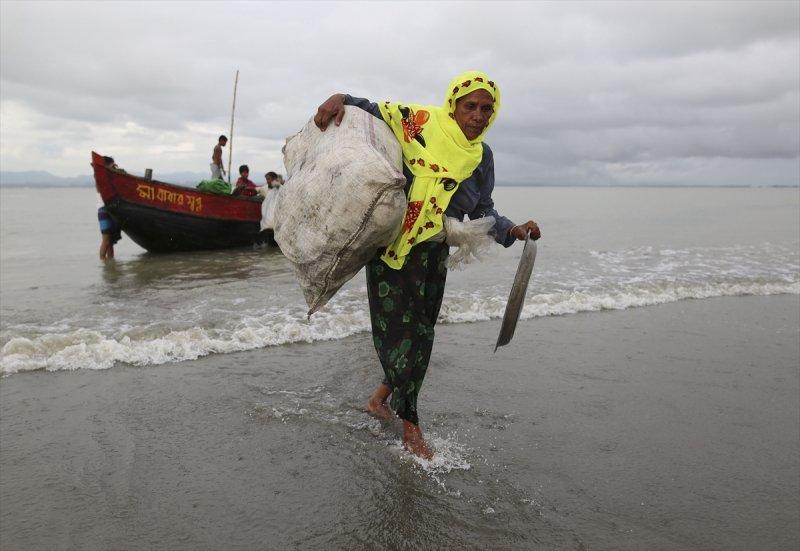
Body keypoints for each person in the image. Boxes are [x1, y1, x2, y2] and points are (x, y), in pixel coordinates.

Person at [314, 71, 541, 459]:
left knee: (422, 333)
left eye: (487, 108)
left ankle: (378, 401)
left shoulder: (481, 156)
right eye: (470, 106)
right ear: (453, 105)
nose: (478, 115)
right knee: (402, 336)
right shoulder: (420, 125)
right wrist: (339, 96)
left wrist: (514, 229)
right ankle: (411, 427)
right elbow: (374, 110)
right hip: (394, 248)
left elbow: (483, 209)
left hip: (433, 252)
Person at [97, 156, 122, 260]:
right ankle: (103, 262)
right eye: (112, 164)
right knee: (106, 240)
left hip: (111, 209)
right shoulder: (101, 177)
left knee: (111, 241)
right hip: (104, 209)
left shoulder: (112, 175)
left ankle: (110, 265)